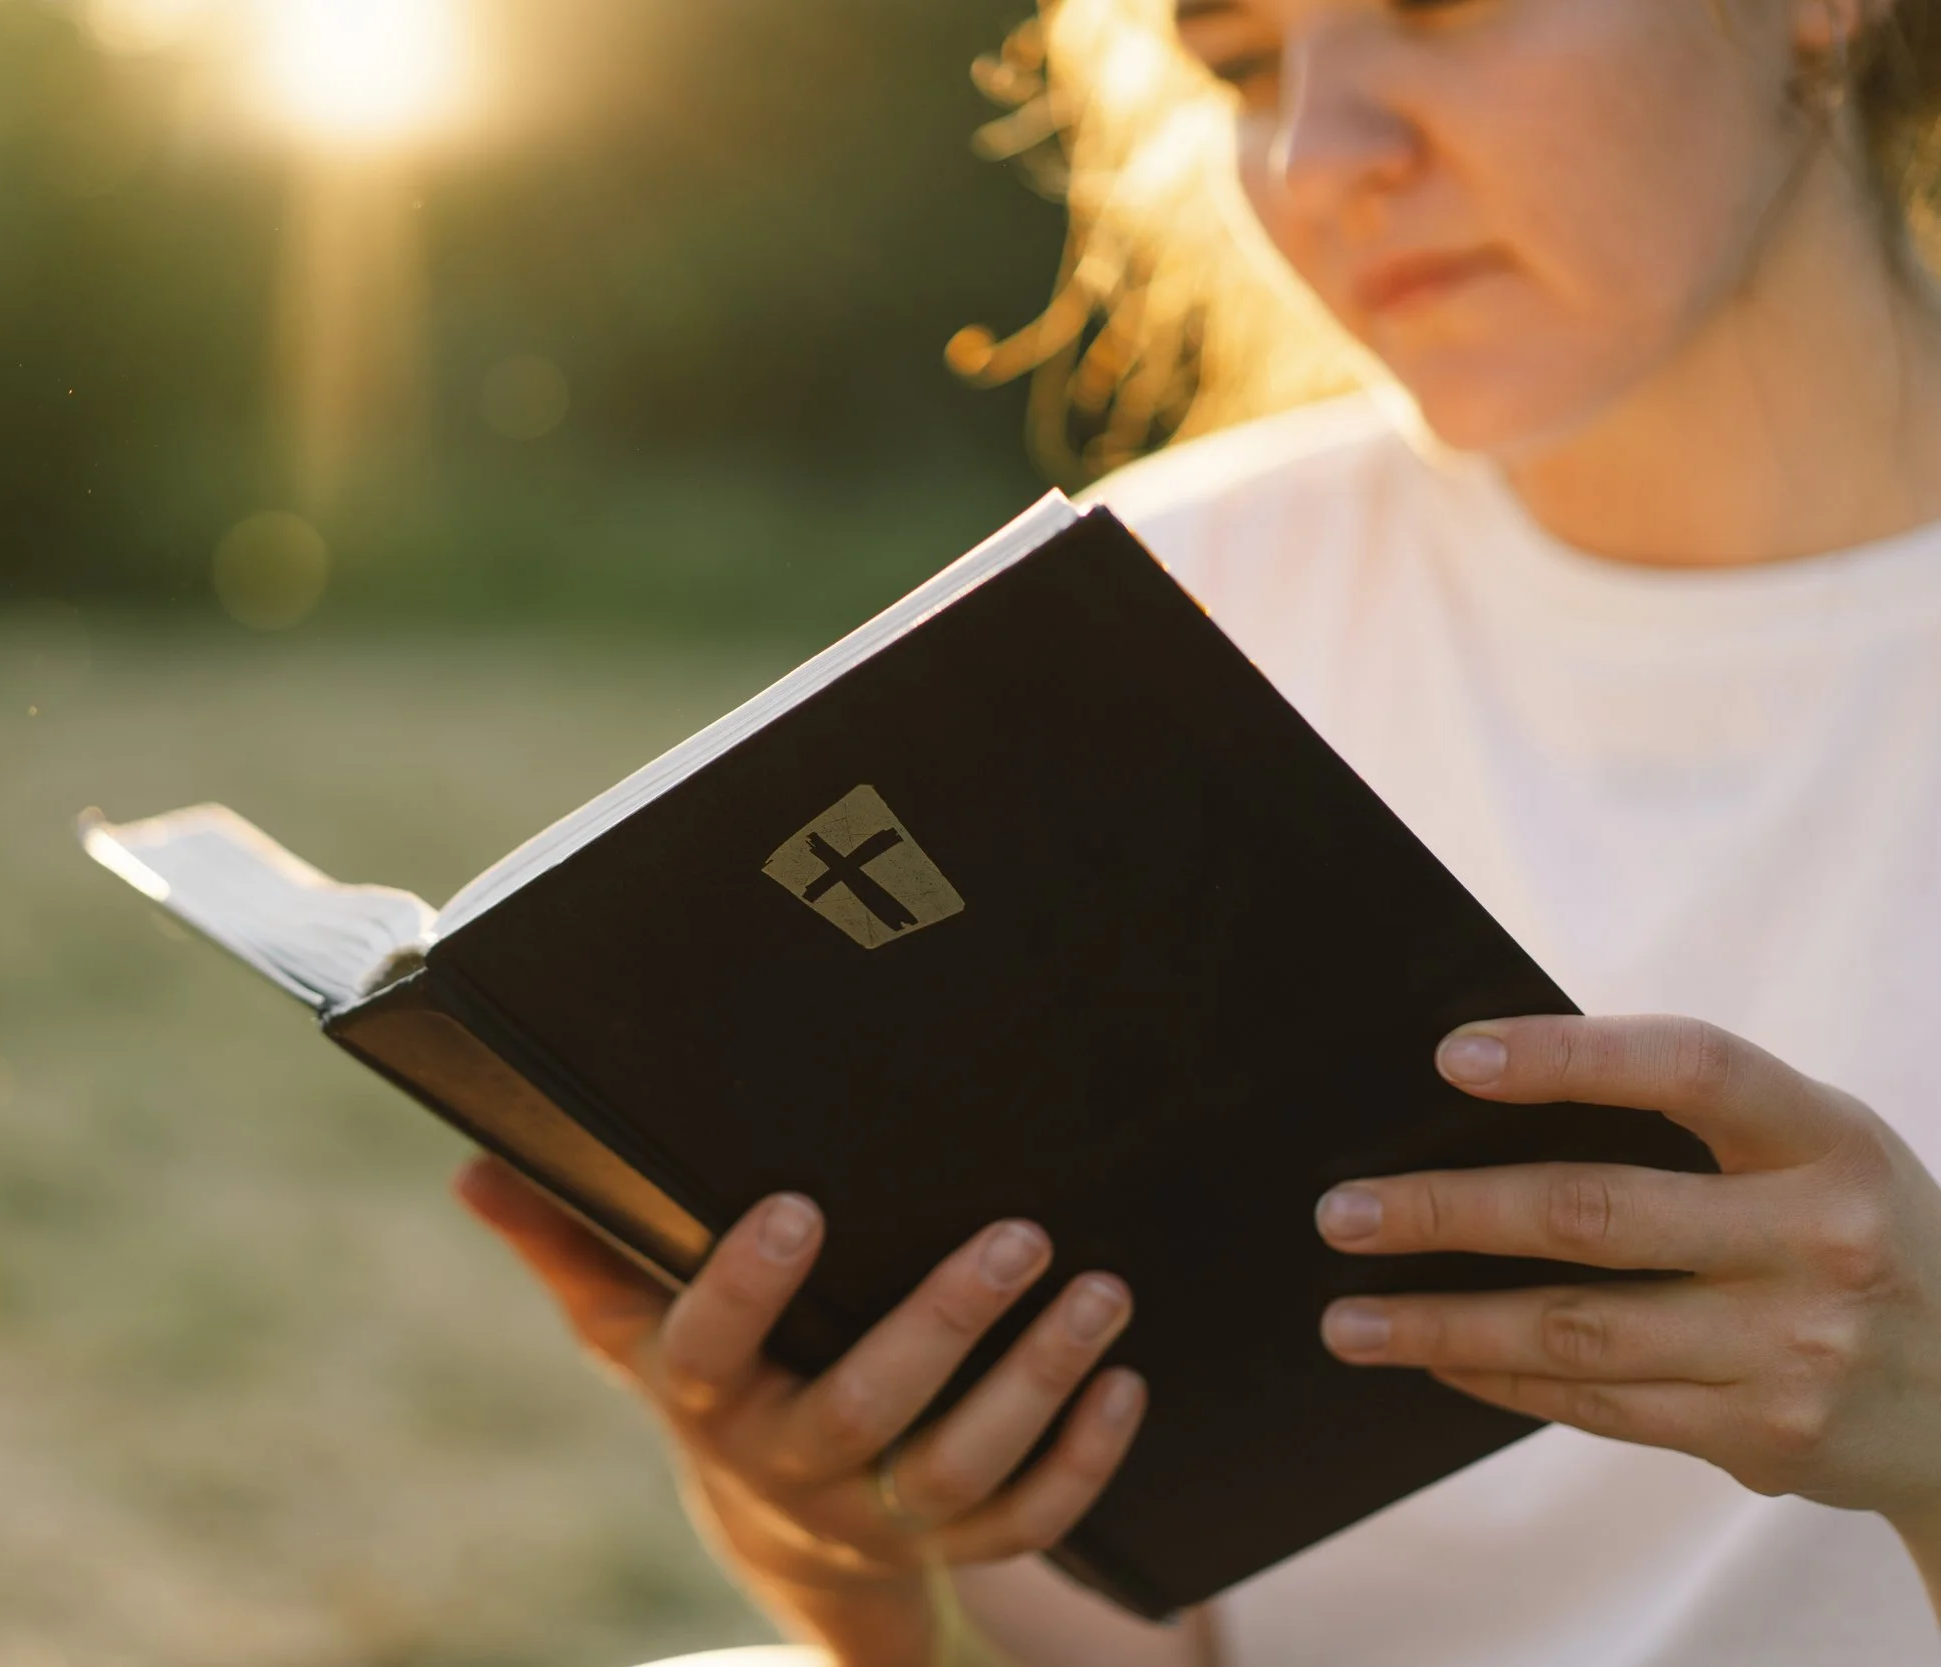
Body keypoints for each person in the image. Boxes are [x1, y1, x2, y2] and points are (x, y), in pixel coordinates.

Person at [455, 0, 1941, 1661]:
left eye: (1436, 10)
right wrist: (852, 1540)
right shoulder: (1158, 613)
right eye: (1242, 67)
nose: (1318, 156)